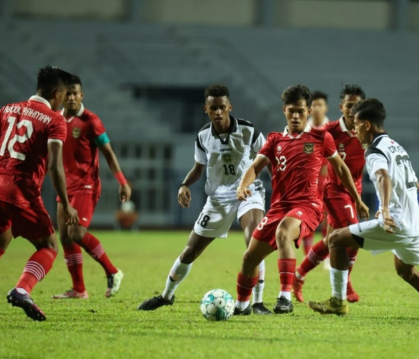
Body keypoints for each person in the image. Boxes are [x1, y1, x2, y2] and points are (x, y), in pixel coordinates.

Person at [308, 98, 419, 325]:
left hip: (395, 222)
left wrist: (386, 209)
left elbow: (382, 176)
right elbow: (414, 184)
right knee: (406, 272)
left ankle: (338, 301)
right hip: (416, 225)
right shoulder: (397, 147)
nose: (355, 130)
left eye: (357, 125)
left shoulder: (374, 151)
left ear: (367, 125)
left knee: (336, 239)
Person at [137, 84, 273, 314]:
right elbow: (198, 168)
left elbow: (267, 160)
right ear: (206, 109)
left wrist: (277, 190)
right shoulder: (203, 137)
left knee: (254, 242)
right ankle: (166, 296)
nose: (218, 112)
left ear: (229, 107)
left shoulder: (249, 131)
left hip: (248, 192)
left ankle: (257, 303)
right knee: (190, 251)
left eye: (222, 107)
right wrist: (183, 185)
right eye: (213, 108)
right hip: (218, 198)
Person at [234, 84, 369, 315]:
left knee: (284, 232)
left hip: (308, 206)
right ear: (284, 110)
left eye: (300, 111)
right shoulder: (275, 140)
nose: (295, 116)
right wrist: (242, 185)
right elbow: (255, 166)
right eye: (291, 111)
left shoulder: (320, 137)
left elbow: (342, 169)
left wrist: (357, 199)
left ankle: (284, 297)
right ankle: (241, 306)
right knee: (250, 257)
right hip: (279, 207)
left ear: (308, 111)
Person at [0, 66, 79, 325]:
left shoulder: (8, 108)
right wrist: (67, 202)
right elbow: (54, 164)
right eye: (64, 94)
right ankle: (22, 290)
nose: (65, 100)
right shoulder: (54, 120)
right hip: (19, 189)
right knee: (49, 246)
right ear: (56, 92)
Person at [52, 75, 130, 300]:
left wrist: (122, 181)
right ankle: (78, 289)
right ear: (61, 95)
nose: (72, 97)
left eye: (75, 93)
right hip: (65, 186)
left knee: (77, 233)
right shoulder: (56, 119)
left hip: (86, 185)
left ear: (81, 95)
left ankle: (113, 272)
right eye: (68, 93)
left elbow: (108, 153)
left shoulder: (91, 121)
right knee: (66, 237)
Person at [294, 84, 366, 303]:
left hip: (356, 190)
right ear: (341, 107)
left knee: (331, 241)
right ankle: (345, 284)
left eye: (357, 106)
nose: (353, 111)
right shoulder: (330, 132)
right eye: (349, 106)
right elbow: (304, 142)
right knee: (355, 236)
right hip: (335, 191)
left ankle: (298, 275)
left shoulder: (367, 130)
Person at [301, 90, 330, 255]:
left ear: (326, 108)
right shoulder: (304, 129)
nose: (317, 108)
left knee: (328, 218)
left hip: (327, 180)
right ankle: (307, 254)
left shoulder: (331, 129)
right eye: (314, 105)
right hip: (308, 180)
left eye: (320, 105)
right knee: (307, 216)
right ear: (309, 108)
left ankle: (325, 256)